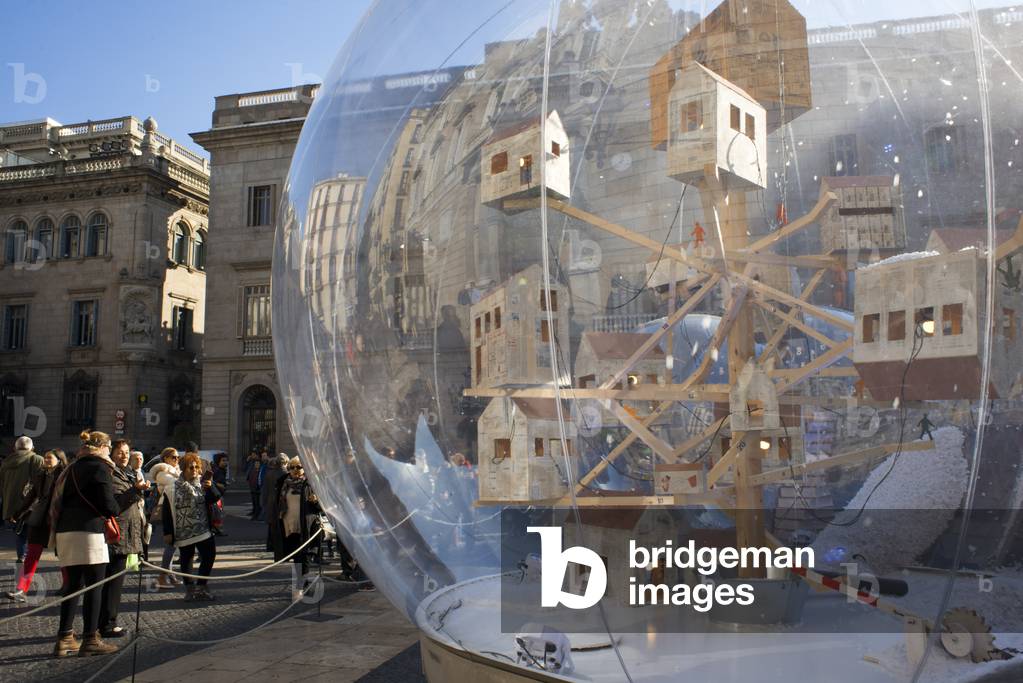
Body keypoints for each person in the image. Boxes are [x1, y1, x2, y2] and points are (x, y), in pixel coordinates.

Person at [52, 430, 145, 657]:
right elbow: (110, 507)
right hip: (90, 532)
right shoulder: (100, 468)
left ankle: (64, 637)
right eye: (110, 447)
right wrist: (133, 493)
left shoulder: (71, 467)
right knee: (95, 586)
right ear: (103, 447)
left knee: (72, 586)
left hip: (65, 530)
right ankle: (91, 639)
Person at [98, 440, 150, 637]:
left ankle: (106, 621)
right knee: (112, 581)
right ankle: (108, 624)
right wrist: (135, 490)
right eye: (120, 452)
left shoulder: (127, 472)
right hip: (116, 535)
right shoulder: (112, 474)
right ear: (112, 453)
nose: (125, 455)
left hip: (127, 533)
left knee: (115, 580)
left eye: (127, 452)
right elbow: (116, 504)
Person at [5, 449, 67, 602]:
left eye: (49, 458)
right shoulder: (40, 475)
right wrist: (17, 514)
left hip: (58, 520)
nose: (46, 460)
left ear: (59, 460)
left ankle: (68, 584)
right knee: (32, 555)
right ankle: (21, 589)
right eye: (45, 457)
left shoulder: (65, 476)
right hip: (39, 519)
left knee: (63, 554)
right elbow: (30, 497)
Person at [159, 453, 221, 601]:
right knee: (187, 559)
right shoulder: (172, 487)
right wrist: (167, 532)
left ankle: (201, 586)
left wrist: (211, 487)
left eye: (196, 467)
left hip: (203, 529)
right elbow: (166, 511)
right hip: (183, 531)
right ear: (183, 468)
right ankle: (190, 589)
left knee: (210, 555)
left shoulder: (202, 483)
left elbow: (215, 498)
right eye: (190, 467)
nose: (194, 470)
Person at [268, 457, 321, 600]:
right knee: (297, 557)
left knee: (304, 556)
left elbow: (321, 508)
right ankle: (302, 585)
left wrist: (316, 501)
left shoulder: (310, 483)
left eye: (299, 467)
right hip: (288, 525)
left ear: (304, 469)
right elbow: (276, 503)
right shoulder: (284, 483)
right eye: (292, 467)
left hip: (305, 525)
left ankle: (301, 586)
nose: (295, 470)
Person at [0, 436, 44, 563]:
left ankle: (21, 555)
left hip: (10, 505)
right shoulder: (37, 459)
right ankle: (29, 558)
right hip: (30, 504)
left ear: (15, 448)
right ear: (32, 448)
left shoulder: (6, 462)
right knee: (33, 533)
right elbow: (41, 482)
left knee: (20, 532)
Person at [149, 448, 182, 589]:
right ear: (165, 458)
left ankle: (170, 575)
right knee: (171, 543)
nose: (176, 459)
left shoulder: (176, 471)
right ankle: (162, 576)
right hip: (169, 511)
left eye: (178, 457)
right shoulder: (162, 472)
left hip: (177, 510)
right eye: (173, 457)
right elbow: (177, 484)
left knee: (173, 544)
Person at [260, 453, 289, 524]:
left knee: (272, 526)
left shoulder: (269, 474)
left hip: (270, 504)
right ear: (285, 462)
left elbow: (265, 491)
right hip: (283, 506)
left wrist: (264, 504)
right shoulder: (287, 474)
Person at [244, 450, 262, 519]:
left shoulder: (260, 468)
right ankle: (254, 511)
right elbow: (245, 469)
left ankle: (256, 514)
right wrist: (247, 461)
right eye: (252, 455)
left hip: (257, 487)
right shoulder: (251, 463)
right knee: (254, 501)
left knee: (257, 502)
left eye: (254, 455)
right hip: (252, 486)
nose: (252, 456)